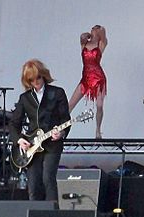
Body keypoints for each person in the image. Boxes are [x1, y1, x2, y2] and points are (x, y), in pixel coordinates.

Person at [9, 59, 71, 201]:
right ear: (27, 81)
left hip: (52, 145)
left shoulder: (57, 93)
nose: (36, 82)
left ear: (43, 75)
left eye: (38, 77)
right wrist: (19, 140)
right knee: (34, 184)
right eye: (31, 80)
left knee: (48, 179)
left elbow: (65, 120)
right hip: (32, 146)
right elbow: (14, 124)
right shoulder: (25, 98)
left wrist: (61, 133)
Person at [68, 25, 107, 139]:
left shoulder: (101, 44)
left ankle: (98, 131)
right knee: (70, 104)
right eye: (93, 29)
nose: (94, 30)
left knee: (99, 105)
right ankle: (60, 127)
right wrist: (87, 35)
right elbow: (81, 37)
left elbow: (104, 36)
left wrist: (100, 30)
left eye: (96, 29)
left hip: (98, 78)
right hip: (86, 78)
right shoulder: (84, 43)